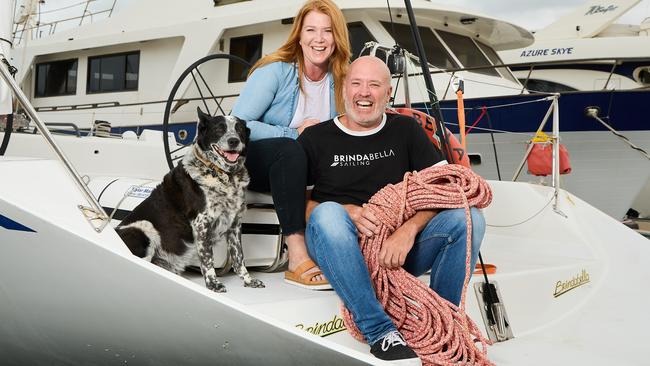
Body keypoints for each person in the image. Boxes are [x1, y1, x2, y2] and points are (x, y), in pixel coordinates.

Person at [297, 56, 486, 364]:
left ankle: (442, 325)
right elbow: (299, 207)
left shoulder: (406, 130)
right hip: (339, 246)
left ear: (388, 94)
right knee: (327, 214)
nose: (364, 92)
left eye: (375, 85)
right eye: (356, 83)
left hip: (394, 250)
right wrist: (347, 211)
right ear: (344, 89)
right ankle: (380, 332)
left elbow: (446, 188)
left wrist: (407, 231)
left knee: (469, 218)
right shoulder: (315, 138)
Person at [231, 0, 351, 289]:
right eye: (311, 30)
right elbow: (237, 126)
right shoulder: (275, 71)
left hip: (307, 168)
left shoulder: (341, 79)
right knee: (291, 150)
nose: (318, 39)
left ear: (337, 38)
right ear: (299, 34)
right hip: (255, 161)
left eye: (327, 31)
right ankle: (296, 253)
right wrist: (293, 132)